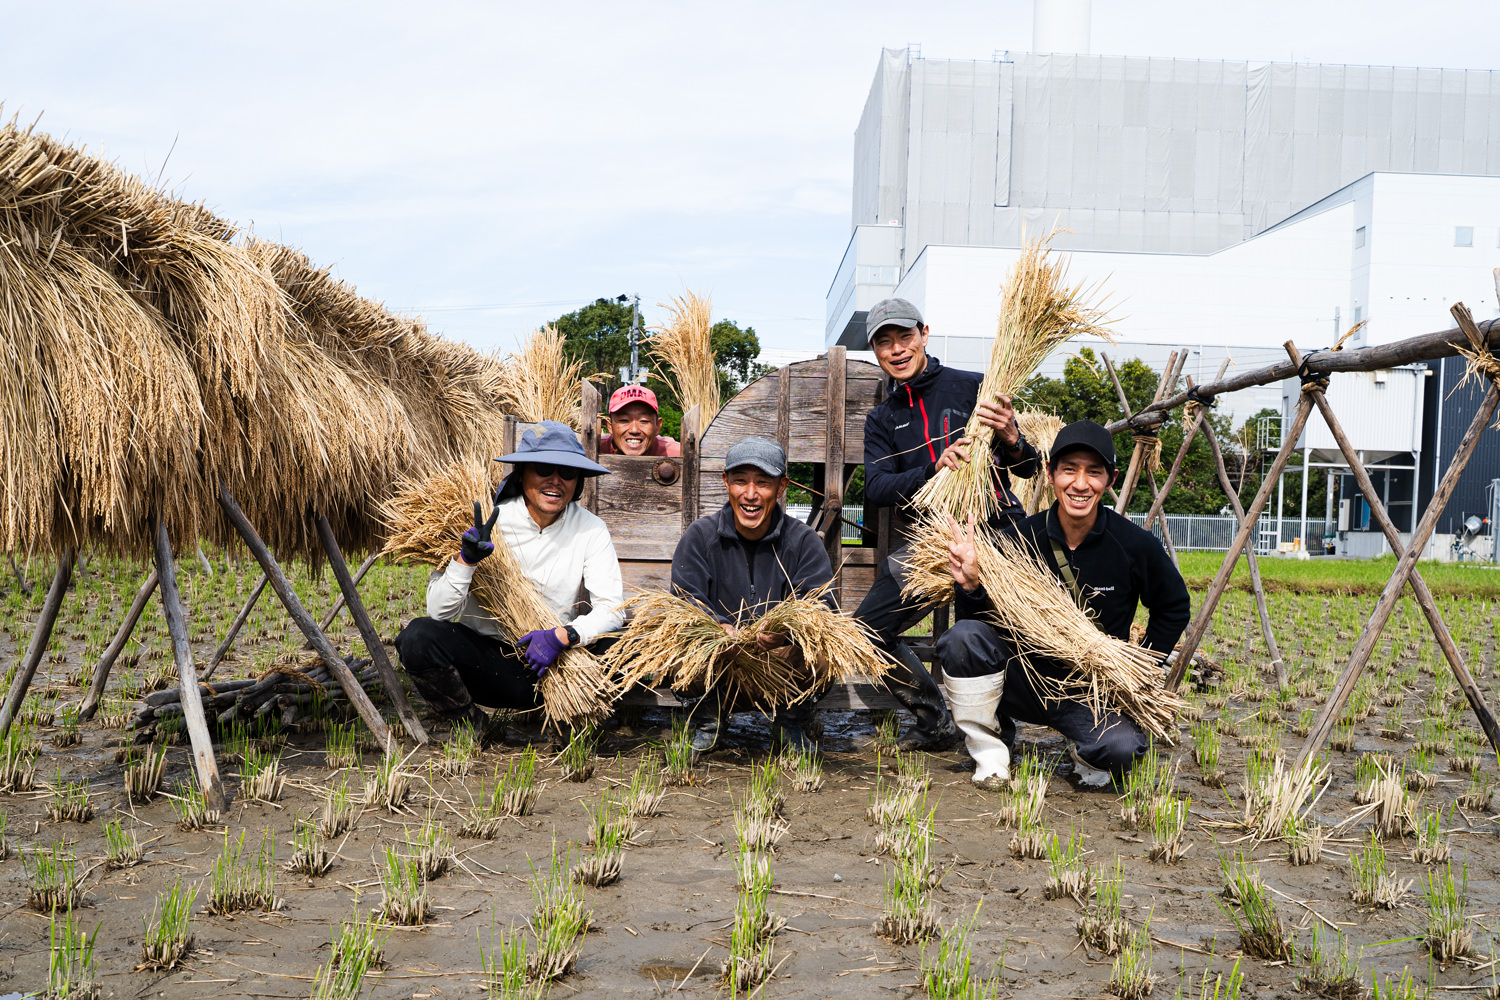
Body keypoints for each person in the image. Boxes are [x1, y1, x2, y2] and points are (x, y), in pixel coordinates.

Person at [935, 420, 1191, 790]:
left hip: (1090, 689)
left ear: (1110, 479)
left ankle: (1086, 750)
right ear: (1052, 474)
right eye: (1069, 470)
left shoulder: (1134, 545)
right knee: (962, 638)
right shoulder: (1017, 540)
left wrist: (1137, 669)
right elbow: (976, 627)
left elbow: (1174, 607)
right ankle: (990, 749)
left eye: (1094, 473)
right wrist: (972, 585)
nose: (1080, 484)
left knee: (1120, 751)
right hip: (1022, 678)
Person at [853, 297, 1042, 749]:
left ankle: (998, 730)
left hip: (994, 532)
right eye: (884, 343)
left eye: (904, 337)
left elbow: (1031, 468)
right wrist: (932, 471)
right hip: (931, 545)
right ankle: (933, 718)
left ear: (923, 334)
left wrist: (1012, 436)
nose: (896, 350)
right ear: (876, 352)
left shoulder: (974, 387)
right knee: (866, 631)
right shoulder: (883, 418)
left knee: (988, 633)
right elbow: (876, 488)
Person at [395, 421, 625, 735]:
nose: (555, 481)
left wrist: (563, 636)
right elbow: (439, 613)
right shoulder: (488, 523)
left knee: (625, 641)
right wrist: (465, 561)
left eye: (568, 473)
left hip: (554, 663)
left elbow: (612, 610)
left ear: (579, 482)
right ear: (523, 473)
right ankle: (470, 724)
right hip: (491, 666)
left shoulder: (590, 528)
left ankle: (573, 720)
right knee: (418, 637)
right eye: (544, 468)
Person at [670, 436, 836, 754]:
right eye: (740, 481)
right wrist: (716, 628)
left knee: (823, 656)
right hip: (718, 670)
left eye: (762, 482)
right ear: (726, 482)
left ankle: (791, 719)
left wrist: (785, 632)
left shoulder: (803, 541)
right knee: (678, 647)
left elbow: (821, 606)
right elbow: (684, 599)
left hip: (779, 670)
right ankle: (708, 718)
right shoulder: (700, 537)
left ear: (782, 486)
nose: (750, 494)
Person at [599, 385, 681, 457]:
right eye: (624, 420)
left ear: (658, 426)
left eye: (644, 421)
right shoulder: (594, 450)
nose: (634, 430)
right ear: (609, 426)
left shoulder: (677, 454)